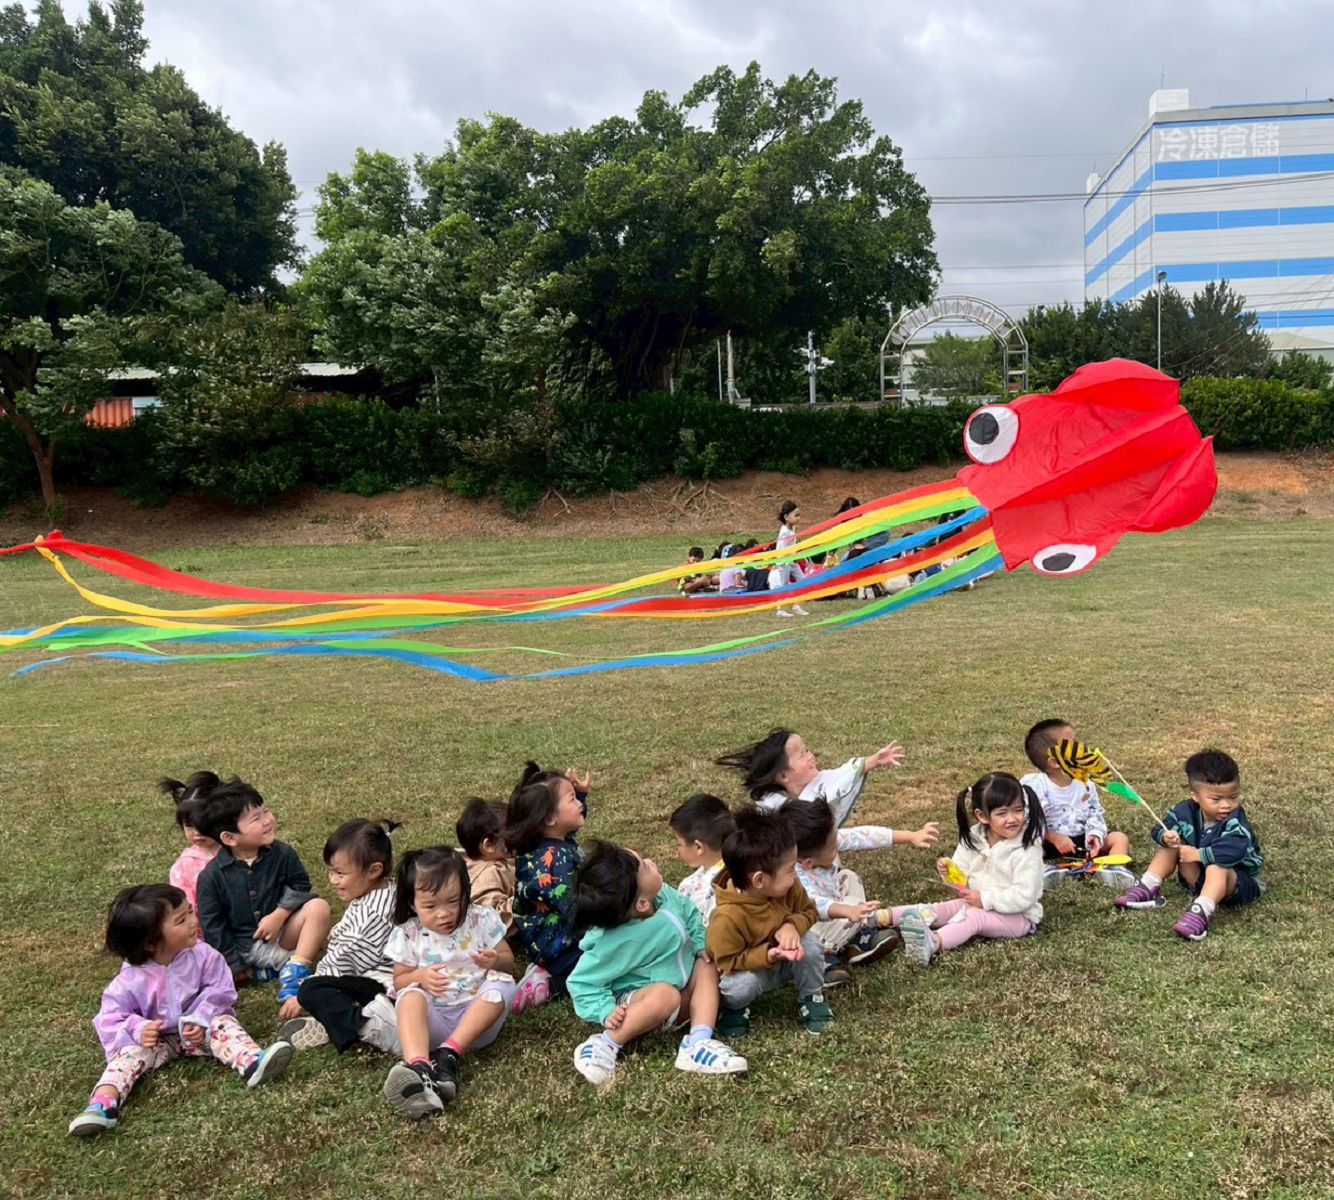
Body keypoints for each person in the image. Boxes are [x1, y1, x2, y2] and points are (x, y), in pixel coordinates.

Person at [68, 885, 293, 1137]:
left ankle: (252, 1061)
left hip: (199, 1032)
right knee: (127, 1056)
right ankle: (103, 1103)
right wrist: (139, 1029)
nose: (193, 921)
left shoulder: (203, 955)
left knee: (223, 1024)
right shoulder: (130, 979)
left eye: (190, 912)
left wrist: (200, 1018)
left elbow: (220, 989)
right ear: (151, 942)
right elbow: (111, 1016)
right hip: (157, 1042)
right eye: (181, 920)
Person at [566, 841, 747, 1085]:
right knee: (665, 995)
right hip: (642, 1005)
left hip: (680, 995)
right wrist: (605, 1010)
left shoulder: (663, 896)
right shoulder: (611, 942)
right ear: (641, 903)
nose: (651, 862)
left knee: (707, 963)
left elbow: (689, 912)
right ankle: (606, 1043)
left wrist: (700, 943)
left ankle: (698, 1042)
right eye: (644, 866)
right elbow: (581, 982)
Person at [380, 847, 517, 1119]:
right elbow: (400, 980)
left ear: (465, 893)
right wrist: (419, 976)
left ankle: (449, 1054)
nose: (444, 914)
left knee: (504, 984)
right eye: (430, 906)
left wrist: (494, 960)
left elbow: (508, 960)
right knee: (409, 996)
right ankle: (420, 1067)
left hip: (478, 1024)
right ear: (412, 904)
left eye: (453, 901)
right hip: (433, 1024)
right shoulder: (408, 934)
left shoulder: (480, 919)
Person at [194, 776, 332, 1013]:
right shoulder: (211, 877)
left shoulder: (282, 853)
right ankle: (272, 967)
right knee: (317, 939)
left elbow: (301, 885)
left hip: (285, 933)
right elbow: (213, 925)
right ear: (229, 838)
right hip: (249, 949)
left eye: (265, 811)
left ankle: (295, 970)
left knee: (319, 907)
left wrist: (280, 914)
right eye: (256, 818)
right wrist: (235, 966)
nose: (268, 820)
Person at [889, 773, 1046, 966]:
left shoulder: (1027, 849)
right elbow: (962, 881)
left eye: (1018, 810)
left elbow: (1024, 896)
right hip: (977, 902)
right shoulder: (974, 837)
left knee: (972, 918)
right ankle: (881, 917)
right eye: (1002, 813)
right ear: (982, 816)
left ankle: (933, 942)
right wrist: (950, 872)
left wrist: (985, 899)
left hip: (1018, 917)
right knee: (942, 908)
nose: (1012, 818)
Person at [782, 798, 938, 985]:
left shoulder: (821, 843)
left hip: (834, 915)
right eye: (833, 848)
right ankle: (824, 961)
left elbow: (862, 836)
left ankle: (856, 942)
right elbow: (814, 904)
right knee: (843, 912)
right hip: (810, 927)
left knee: (849, 877)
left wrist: (910, 836)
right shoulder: (795, 878)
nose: (837, 845)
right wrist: (848, 910)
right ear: (808, 863)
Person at [706, 806, 831, 1037]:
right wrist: (768, 955)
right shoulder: (726, 918)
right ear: (759, 880)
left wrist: (791, 925)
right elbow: (727, 961)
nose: (795, 875)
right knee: (737, 987)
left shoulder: (789, 887)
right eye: (790, 869)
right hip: (752, 970)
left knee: (811, 943)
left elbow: (809, 910)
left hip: (788, 962)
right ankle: (736, 1008)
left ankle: (812, 995)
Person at [1114, 749, 1263, 941]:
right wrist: (1165, 836)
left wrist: (1198, 855)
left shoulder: (1236, 821)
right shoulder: (1184, 811)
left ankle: (1202, 911)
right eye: (1216, 799)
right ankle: (1148, 886)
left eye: (1233, 797)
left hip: (1237, 885)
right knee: (1172, 846)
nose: (1226, 805)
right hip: (1198, 878)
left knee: (1217, 867)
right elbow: (1160, 828)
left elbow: (1234, 851)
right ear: (1195, 796)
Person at [280, 820, 400, 1055]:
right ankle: (337, 1019)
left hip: (386, 989)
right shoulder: (385, 891)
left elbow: (344, 958)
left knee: (313, 990)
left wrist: (303, 995)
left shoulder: (372, 913)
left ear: (374, 870)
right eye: (331, 871)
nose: (332, 880)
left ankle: (365, 1028)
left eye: (340, 873)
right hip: (383, 979)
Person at [505, 760, 592, 1009]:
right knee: (600, 964)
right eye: (572, 799)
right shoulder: (553, 865)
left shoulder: (553, 839)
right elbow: (574, 909)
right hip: (559, 948)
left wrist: (580, 795)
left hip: (556, 937)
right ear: (550, 818)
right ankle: (547, 985)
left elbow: (571, 825)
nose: (579, 805)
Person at [1020, 719, 1132, 890]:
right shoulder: (1035, 786)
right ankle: (1043, 871)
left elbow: (1094, 811)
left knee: (1119, 838)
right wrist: (1053, 837)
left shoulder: (1085, 782)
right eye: (1073, 746)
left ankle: (1113, 870)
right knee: (1028, 846)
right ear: (1055, 762)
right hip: (1048, 840)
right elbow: (1028, 820)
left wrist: (1094, 835)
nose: (1082, 750)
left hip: (1082, 839)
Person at [717, 727, 905, 826]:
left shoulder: (822, 781)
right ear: (784, 776)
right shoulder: (771, 807)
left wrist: (874, 761)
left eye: (807, 749)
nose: (811, 756)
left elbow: (844, 773)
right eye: (802, 755)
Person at [160, 771, 221, 914]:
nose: (197, 832)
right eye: (189, 825)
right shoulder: (183, 868)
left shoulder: (241, 849)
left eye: (204, 824)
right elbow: (187, 911)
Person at [669, 792, 735, 924]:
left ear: (698, 847)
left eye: (679, 844)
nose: (677, 849)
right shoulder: (747, 861)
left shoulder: (697, 891)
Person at [455, 798, 516, 937]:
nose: (520, 836)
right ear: (489, 845)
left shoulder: (483, 859)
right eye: (512, 834)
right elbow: (495, 920)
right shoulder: (487, 878)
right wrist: (525, 897)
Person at [769, 501, 809, 617]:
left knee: (802, 581)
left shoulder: (792, 529)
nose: (798, 518)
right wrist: (780, 563)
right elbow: (781, 548)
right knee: (784, 585)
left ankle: (796, 605)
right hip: (783, 563)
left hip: (791, 561)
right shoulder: (784, 532)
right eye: (796, 515)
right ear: (786, 517)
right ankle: (780, 609)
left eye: (799, 515)